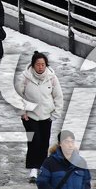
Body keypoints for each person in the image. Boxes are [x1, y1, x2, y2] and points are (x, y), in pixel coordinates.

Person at [17, 51, 64, 182]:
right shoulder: (25, 77)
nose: (40, 67)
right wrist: (22, 112)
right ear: (33, 65)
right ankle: (33, 169)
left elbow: (58, 97)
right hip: (29, 116)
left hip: (46, 116)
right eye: (38, 64)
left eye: (43, 64)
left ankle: (42, 168)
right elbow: (17, 95)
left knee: (44, 142)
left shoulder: (52, 78)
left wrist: (55, 114)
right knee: (34, 141)